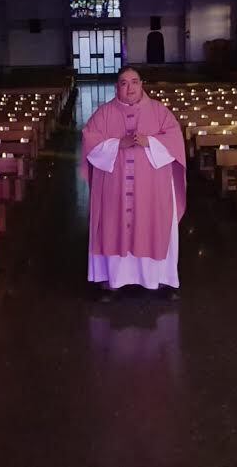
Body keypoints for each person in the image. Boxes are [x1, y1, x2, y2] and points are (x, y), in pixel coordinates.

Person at [80, 66, 187, 301]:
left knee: (151, 226)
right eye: (123, 83)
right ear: (117, 87)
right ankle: (114, 281)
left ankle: (156, 280)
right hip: (114, 189)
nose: (129, 88)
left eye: (134, 82)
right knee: (113, 227)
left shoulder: (160, 111)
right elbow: (89, 140)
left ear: (142, 85)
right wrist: (119, 144)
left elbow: (175, 139)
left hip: (151, 190)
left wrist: (149, 141)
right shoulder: (104, 113)